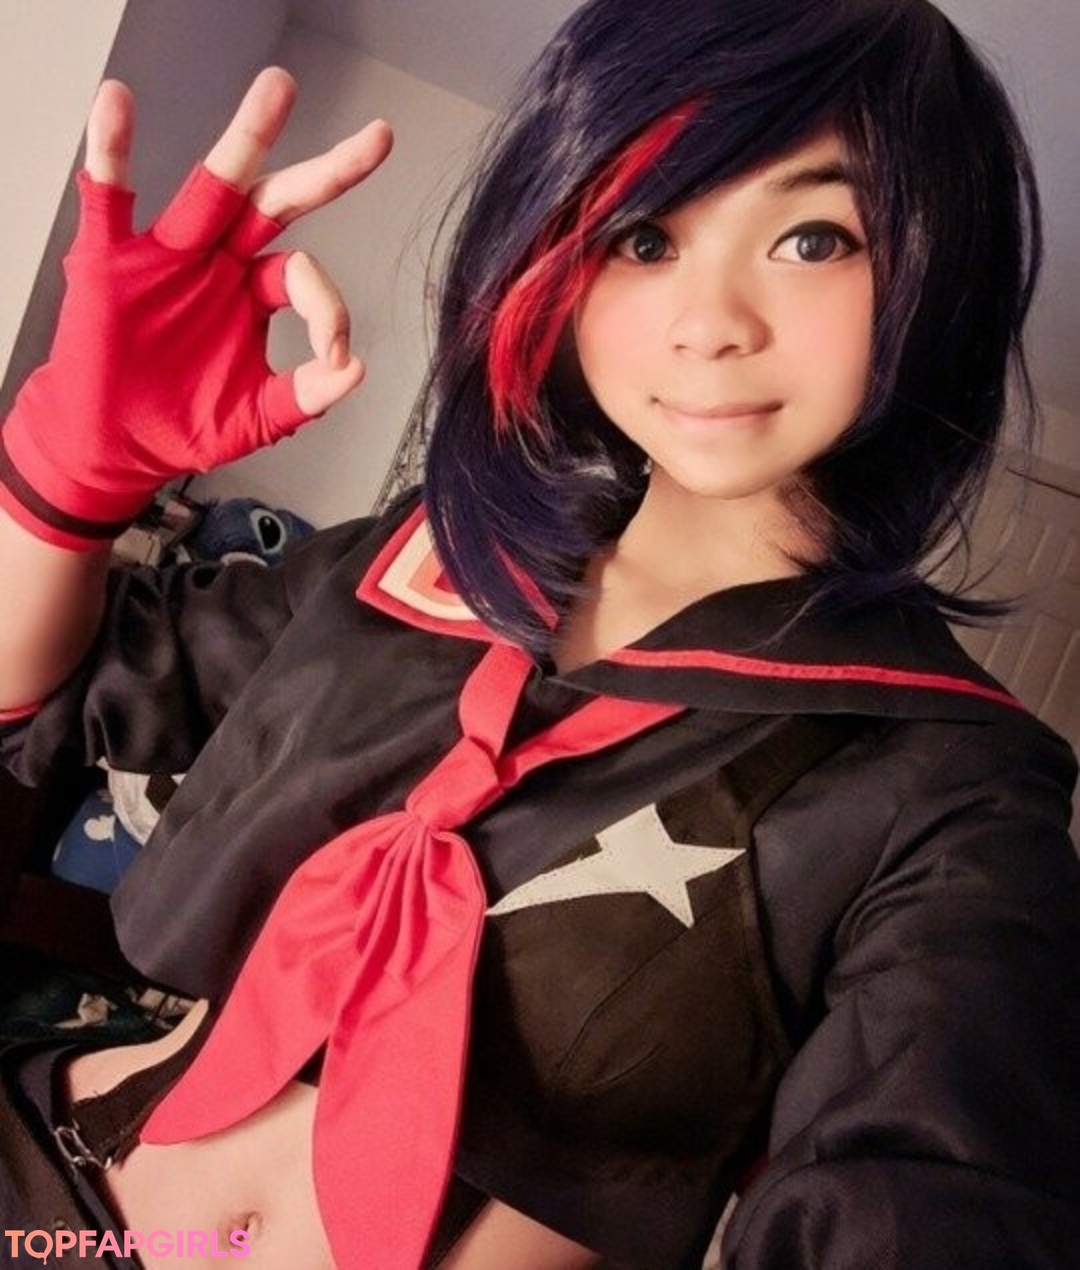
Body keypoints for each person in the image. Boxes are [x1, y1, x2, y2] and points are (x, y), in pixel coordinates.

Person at [1, 0, 1077, 1266]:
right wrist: (59, 487)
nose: (709, 321)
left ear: (935, 278)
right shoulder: (420, 563)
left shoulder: (950, 787)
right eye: (645, 235)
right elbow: (50, 705)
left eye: (813, 237)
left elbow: (937, 1198)